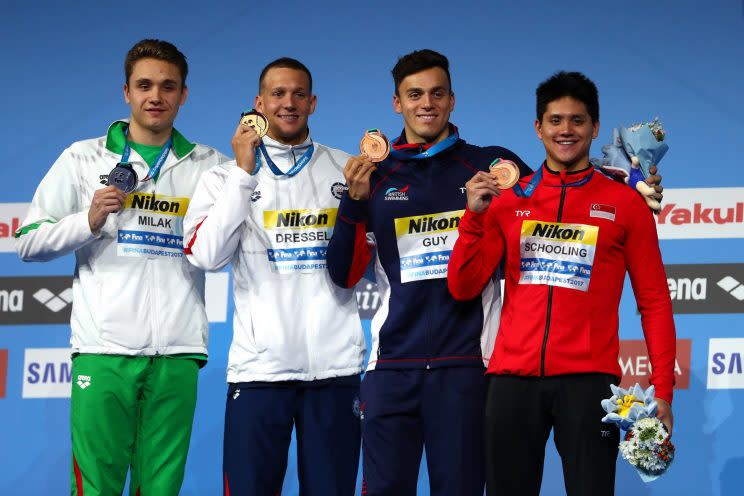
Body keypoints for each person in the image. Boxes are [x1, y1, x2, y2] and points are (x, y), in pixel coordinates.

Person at [447, 71, 676, 496]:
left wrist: (663, 391)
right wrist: (473, 218)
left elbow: (655, 302)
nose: (565, 130)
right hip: (511, 381)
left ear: (593, 126)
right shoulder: (509, 200)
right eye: (555, 120)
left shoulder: (626, 203)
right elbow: (463, 286)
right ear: (538, 128)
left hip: (590, 384)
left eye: (576, 120)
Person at [15, 39, 228, 495]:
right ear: (126, 92)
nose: (156, 96)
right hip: (104, 349)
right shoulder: (83, 157)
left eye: (168, 87)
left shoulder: (210, 166)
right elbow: (28, 241)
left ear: (183, 95)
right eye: (145, 85)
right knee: (97, 487)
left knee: (161, 489)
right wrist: (87, 221)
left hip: (177, 354)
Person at [183, 57, 365, 496]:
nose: (289, 103)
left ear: (313, 102)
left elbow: (365, 265)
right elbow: (206, 256)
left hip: (335, 372)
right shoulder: (224, 177)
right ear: (259, 103)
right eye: (278, 94)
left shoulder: (345, 171)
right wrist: (244, 175)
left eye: (298, 94)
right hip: (259, 372)